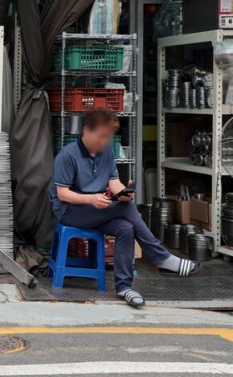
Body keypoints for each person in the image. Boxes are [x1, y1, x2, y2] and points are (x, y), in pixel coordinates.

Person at [50, 109, 200, 307]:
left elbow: (114, 183)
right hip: (70, 212)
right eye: (101, 136)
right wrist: (90, 199)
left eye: (108, 137)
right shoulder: (67, 155)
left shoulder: (106, 153)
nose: (104, 141)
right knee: (125, 208)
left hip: (98, 209)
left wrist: (124, 191)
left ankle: (124, 287)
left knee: (126, 227)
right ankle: (161, 258)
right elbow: (62, 194)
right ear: (86, 130)